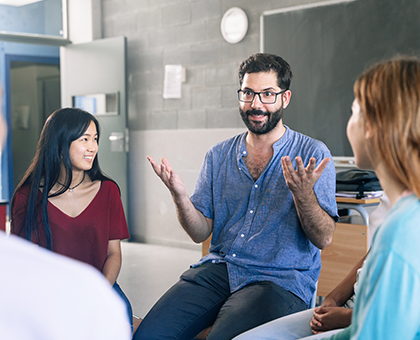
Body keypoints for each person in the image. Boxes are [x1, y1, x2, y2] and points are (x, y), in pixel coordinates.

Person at [136, 53, 339, 340]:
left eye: (268, 94)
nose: (256, 104)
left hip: (278, 281)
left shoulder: (312, 154)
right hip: (220, 269)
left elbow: (324, 238)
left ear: (285, 98)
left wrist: (303, 195)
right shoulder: (218, 155)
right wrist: (180, 197)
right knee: (148, 336)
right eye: (248, 93)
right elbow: (199, 232)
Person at [0, 92, 130, 339]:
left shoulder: (108, 191)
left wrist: (98, 293)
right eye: (84, 139)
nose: (93, 147)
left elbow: (114, 254)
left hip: (100, 287)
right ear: (60, 144)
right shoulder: (27, 197)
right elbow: (23, 263)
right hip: (47, 295)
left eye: (95, 139)